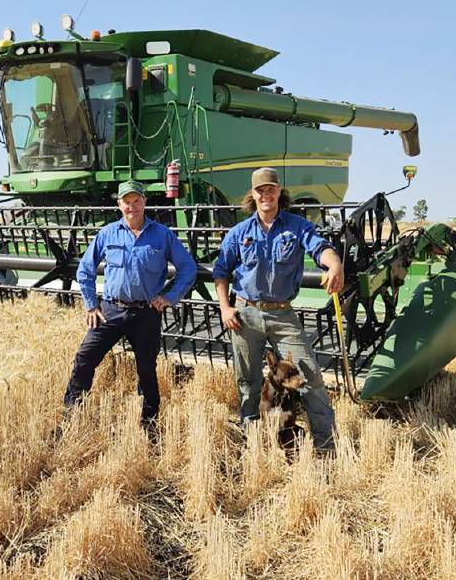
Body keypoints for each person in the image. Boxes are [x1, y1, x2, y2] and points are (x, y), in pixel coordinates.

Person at [211, 167, 344, 450]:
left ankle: (327, 445)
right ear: (253, 195)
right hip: (245, 315)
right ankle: (253, 441)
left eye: (271, 189)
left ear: (279, 192)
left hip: (282, 313)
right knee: (247, 381)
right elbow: (221, 271)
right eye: (260, 190)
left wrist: (335, 264)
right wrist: (225, 307)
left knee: (309, 375)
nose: (266, 194)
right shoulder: (239, 232)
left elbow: (321, 248)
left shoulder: (297, 226)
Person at [63, 181, 198, 430]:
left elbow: (188, 268)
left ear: (144, 203)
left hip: (146, 313)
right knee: (84, 357)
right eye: (127, 202)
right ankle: (71, 416)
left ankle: (149, 423)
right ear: (119, 204)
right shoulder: (107, 233)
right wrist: (92, 305)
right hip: (110, 310)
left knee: (146, 369)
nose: (132, 207)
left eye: (137, 201)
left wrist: (169, 297)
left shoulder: (162, 235)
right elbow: (85, 270)